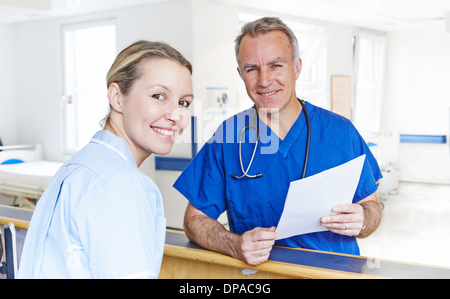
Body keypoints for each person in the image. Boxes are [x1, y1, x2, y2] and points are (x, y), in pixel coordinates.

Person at [173, 17, 382, 266]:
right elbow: (193, 219)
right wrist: (234, 244)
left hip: (336, 273)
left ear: (297, 68)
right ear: (240, 74)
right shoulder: (228, 137)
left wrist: (363, 220)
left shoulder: (340, 132)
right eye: (252, 68)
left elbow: (371, 207)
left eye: (276, 65)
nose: (264, 80)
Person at [18, 40, 193, 278]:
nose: (175, 115)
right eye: (159, 95)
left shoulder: (81, 166)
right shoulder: (120, 184)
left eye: (184, 102)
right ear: (117, 98)